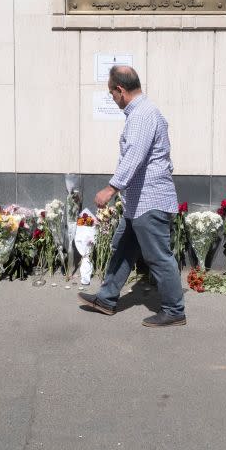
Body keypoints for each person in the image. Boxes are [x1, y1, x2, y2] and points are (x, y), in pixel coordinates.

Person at [77, 65, 186, 327]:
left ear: (120, 90)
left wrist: (111, 188)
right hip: (136, 202)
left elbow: (135, 154)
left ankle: (174, 310)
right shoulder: (141, 113)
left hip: (150, 200)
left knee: (159, 256)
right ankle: (106, 299)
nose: (112, 98)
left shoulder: (142, 115)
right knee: (123, 250)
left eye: (111, 93)